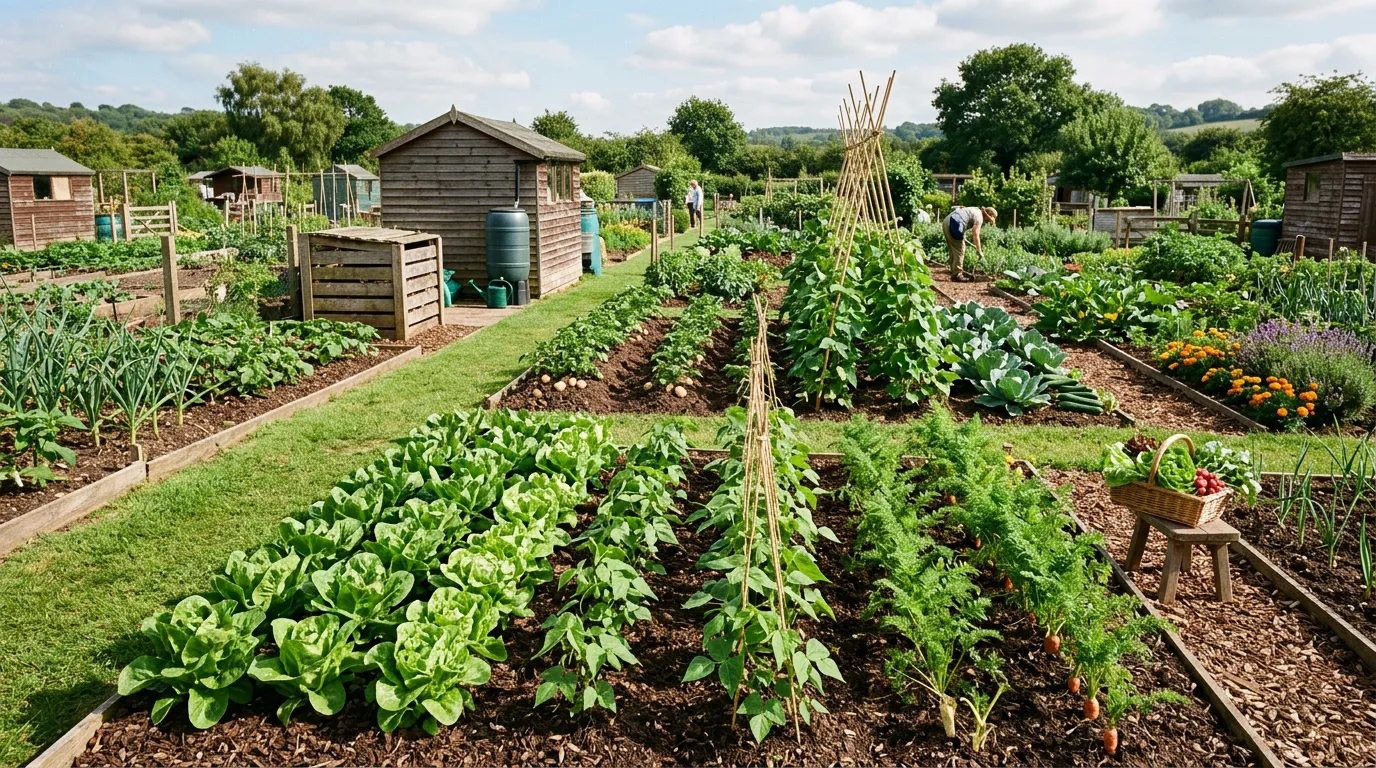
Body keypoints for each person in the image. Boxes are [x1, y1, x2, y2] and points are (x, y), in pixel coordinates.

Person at [942, 205, 997, 280]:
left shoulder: (975, 210)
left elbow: (964, 219)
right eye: (989, 220)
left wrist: (962, 235)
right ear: (987, 215)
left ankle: (954, 272)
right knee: (960, 249)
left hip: (947, 221)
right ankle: (957, 275)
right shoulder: (979, 217)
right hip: (954, 222)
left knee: (954, 249)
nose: (987, 222)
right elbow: (975, 234)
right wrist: (979, 250)